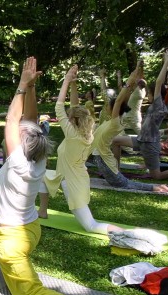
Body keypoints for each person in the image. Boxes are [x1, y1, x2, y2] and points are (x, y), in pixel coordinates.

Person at [0, 57, 122, 295]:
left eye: (17, 133)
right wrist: (32, 87)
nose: (15, 131)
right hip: (27, 227)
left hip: (14, 240)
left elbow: (14, 118)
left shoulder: (16, 164)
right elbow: (28, 120)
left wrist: (22, 87)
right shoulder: (38, 157)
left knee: (28, 292)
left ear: (19, 143)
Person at [38, 65, 122, 235]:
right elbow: (74, 106)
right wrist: (73, 85)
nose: (66, 119)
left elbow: (59, 107)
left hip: (72, 183)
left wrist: (67, 80)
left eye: (69, 118)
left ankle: (126, 232)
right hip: (68, 176)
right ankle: (42, 211)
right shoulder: (86, 134)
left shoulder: (72, 136)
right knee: (42, 175)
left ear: (73, 121)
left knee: (91, 226)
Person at [111, 50, 168, 180]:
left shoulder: (159, 106)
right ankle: (116, 172)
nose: (148, 95)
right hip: (142, 140)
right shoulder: (159, 106)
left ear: (156, 95)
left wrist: (167, 62)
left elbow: (158, 82)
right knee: (116, 141)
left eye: (150, 93)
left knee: (156, 175)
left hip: (150, 144)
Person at [91, 66, 168, 193]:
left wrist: (129, 83)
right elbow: (121, 100)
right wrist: (133, 79)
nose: (107, 106)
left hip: (107, 166)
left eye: (109, 105)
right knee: (124, 182)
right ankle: (155, 187)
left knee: (125, 183)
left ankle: (156, 187)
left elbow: (118, 101)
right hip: (106, 164)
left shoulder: (114, 123)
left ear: (112, 110)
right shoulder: (111, 121)